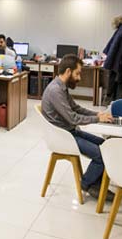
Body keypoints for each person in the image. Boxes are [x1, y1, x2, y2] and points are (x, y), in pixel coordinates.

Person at [41, 55, 114, 200]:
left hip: (69, 132)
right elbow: (73, 118)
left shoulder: (61, 88)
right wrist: (97, 119)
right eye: (77, 73)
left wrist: (97, 114)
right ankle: (86, 184)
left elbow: (76, 108)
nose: (79, 78)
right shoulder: (55, 91)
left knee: (105, 145)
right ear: (68, 71)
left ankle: (96, 184)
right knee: (100, 155)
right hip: (63, 137)